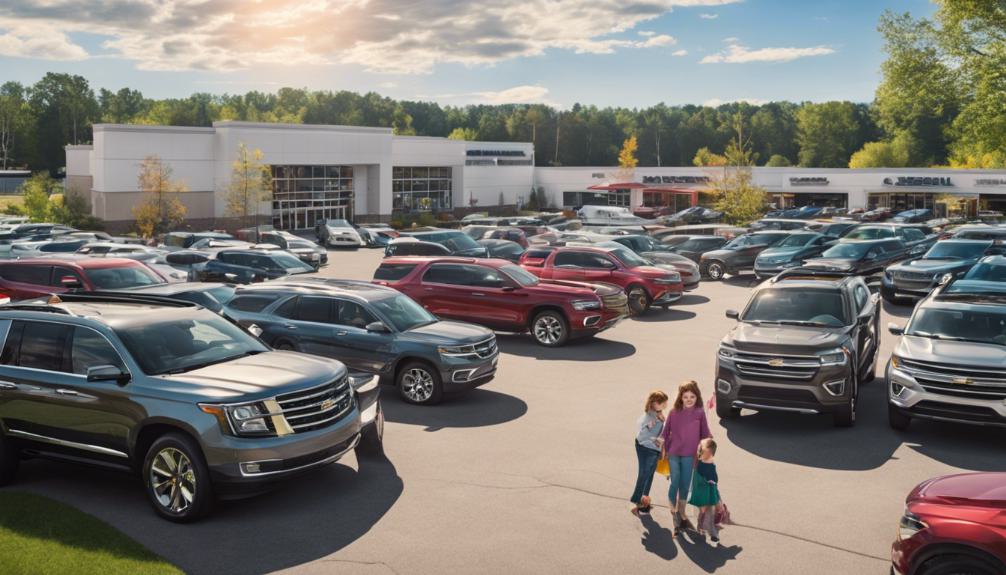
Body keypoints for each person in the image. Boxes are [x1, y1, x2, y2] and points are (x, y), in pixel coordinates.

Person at [659, 380, 711, 536]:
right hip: (674, 452)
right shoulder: (674, 412)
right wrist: (662, 446)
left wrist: (707, 446)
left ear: (697, 397)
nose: (689, 399)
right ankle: (673, 511)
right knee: (674, 482)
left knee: (684, 484)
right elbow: (665, 432)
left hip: (690, 455)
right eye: (686, 396)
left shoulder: (700, 413)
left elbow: (705, 434)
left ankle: (682, 512)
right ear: (680, 397)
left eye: (692, 397)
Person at [631, 390, 668, 516]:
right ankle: (637, 501)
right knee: (644, 474)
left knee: (649, 474)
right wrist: (659, 444)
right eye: (663, 403)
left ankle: (643, 501)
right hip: (647, 449)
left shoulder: (657, 414)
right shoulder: (651, 418)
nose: (665, 405)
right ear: (655, 403)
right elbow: (642, 436)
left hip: (652, 449)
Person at [689, 438, 722, 547]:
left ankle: (712, 533)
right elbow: (698, 478)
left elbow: (715, 478)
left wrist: (712, 481)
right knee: (702, 510)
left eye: (705, 453)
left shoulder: (711, 464)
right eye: (702, 452)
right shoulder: (699, 464)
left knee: (710, 512)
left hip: (710, 491)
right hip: (701, 491)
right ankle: (700, 526)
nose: (702, 454)